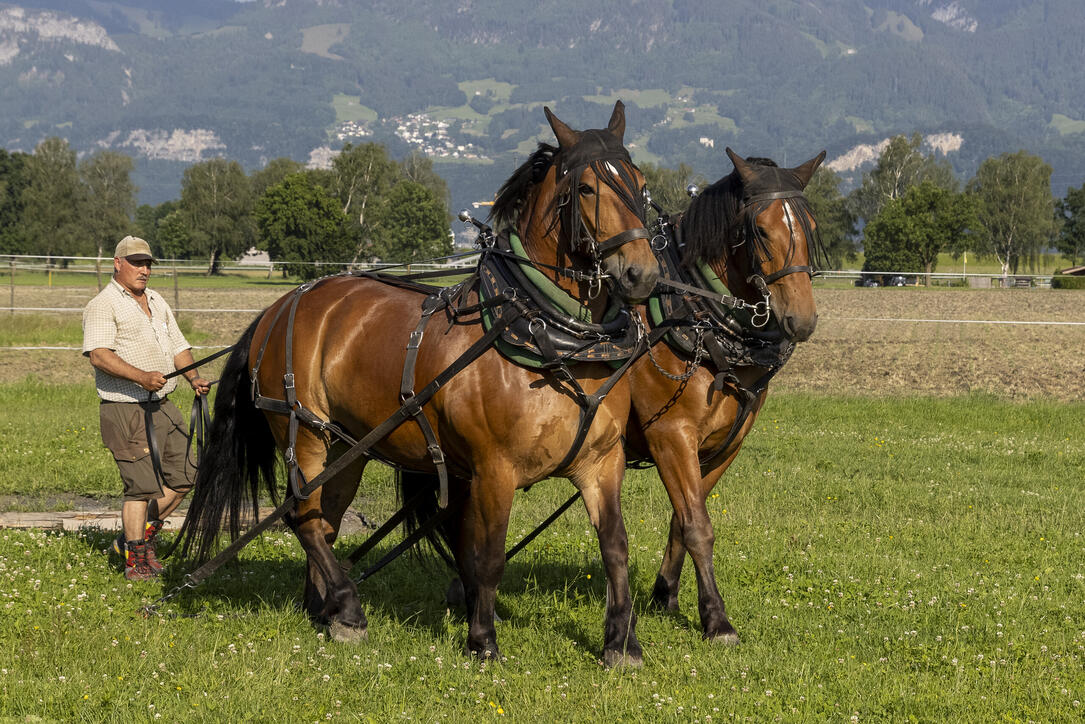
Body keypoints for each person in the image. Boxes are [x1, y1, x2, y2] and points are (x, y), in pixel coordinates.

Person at [82, 236, 210, 581]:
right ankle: (136, 559)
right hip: (125, 408)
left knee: (187, 475)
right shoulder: (103, 304)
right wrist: (140, 377)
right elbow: (99, 354)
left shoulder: (155, 300)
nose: (144, 270)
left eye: (148, 263)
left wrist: (193, 378)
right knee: (140, 487)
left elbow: (178, 346)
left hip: (163, 404)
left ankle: (132, 538)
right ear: (117, 263)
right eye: (136, 262)